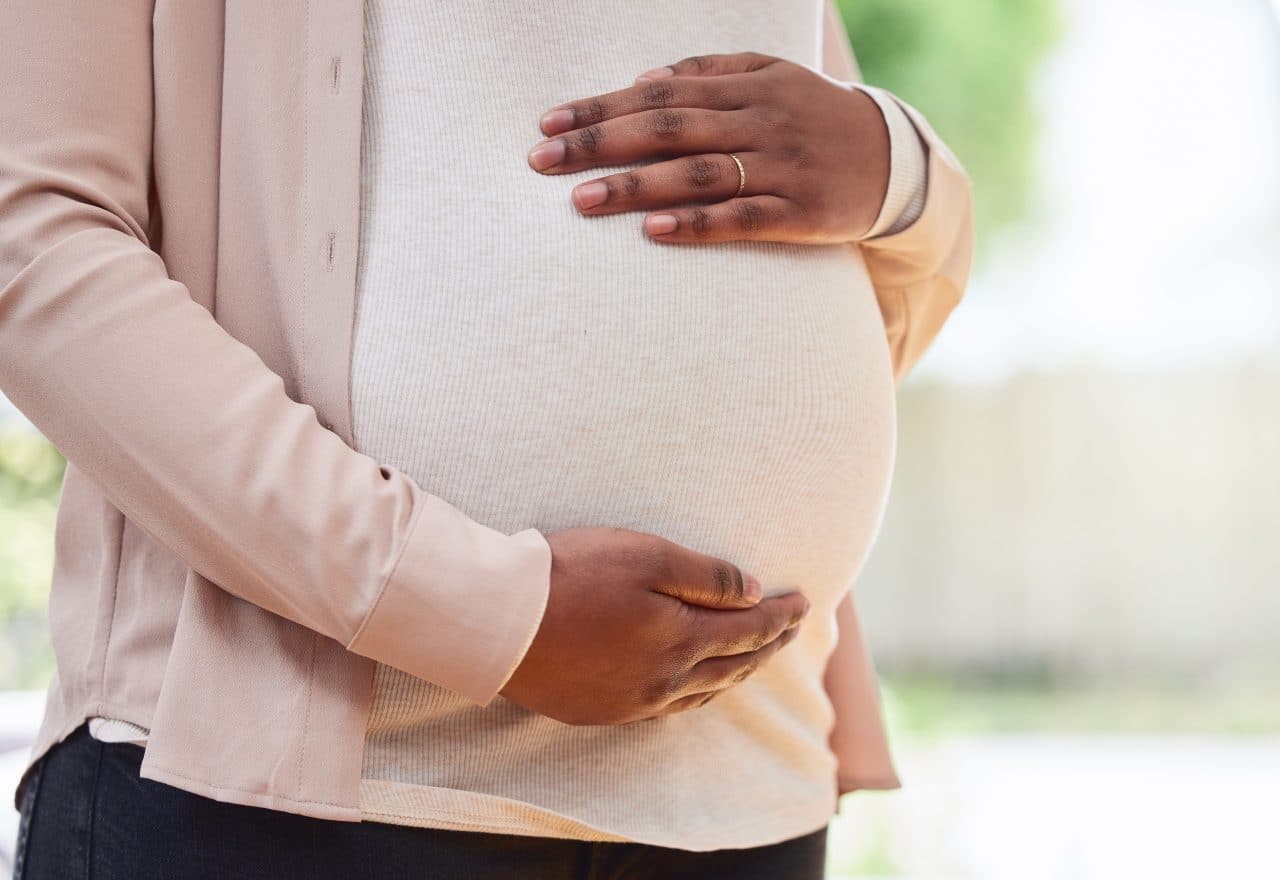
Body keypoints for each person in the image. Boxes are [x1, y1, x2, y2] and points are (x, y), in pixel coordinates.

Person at [1, 0, 973, 877]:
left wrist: (905, 176)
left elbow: (857, 279)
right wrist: (478, 610)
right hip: (288, 809)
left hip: (741, 788)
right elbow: (33, 238)